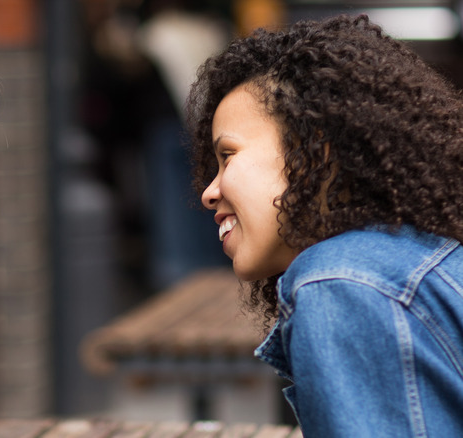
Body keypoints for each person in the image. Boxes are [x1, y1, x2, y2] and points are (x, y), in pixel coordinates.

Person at [187, 14, 463, 437]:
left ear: (316, 152)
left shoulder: (341, 281)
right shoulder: (406, 257)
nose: (209, 191)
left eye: (228, 156)